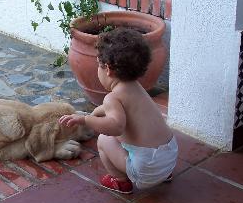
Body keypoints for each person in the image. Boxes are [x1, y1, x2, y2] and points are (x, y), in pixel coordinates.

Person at [59, 28, 178, 194]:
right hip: (169, 158)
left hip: (146, 170)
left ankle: (120, 181)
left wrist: (86, 120)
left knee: (104, 140)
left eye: (98, 66)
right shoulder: (138, 89)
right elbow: (120, 111)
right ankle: (163, 174)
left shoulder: (112, 98)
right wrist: (97, 112)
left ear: (107, 69)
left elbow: (115, 127)